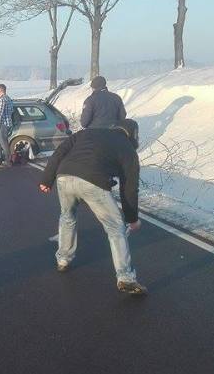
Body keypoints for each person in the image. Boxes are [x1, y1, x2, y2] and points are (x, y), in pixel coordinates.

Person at [38, 118, 147, 295]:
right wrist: (132, 219)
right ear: (133, 134)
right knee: (115, 228)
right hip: (92, 181)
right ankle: (126, 277)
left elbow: (60, 152)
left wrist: (46, 179)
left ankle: (63, 259)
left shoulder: (88, 132)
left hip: (64, 176)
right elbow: (129, 187)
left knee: (67, 217)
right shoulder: (127, 148)